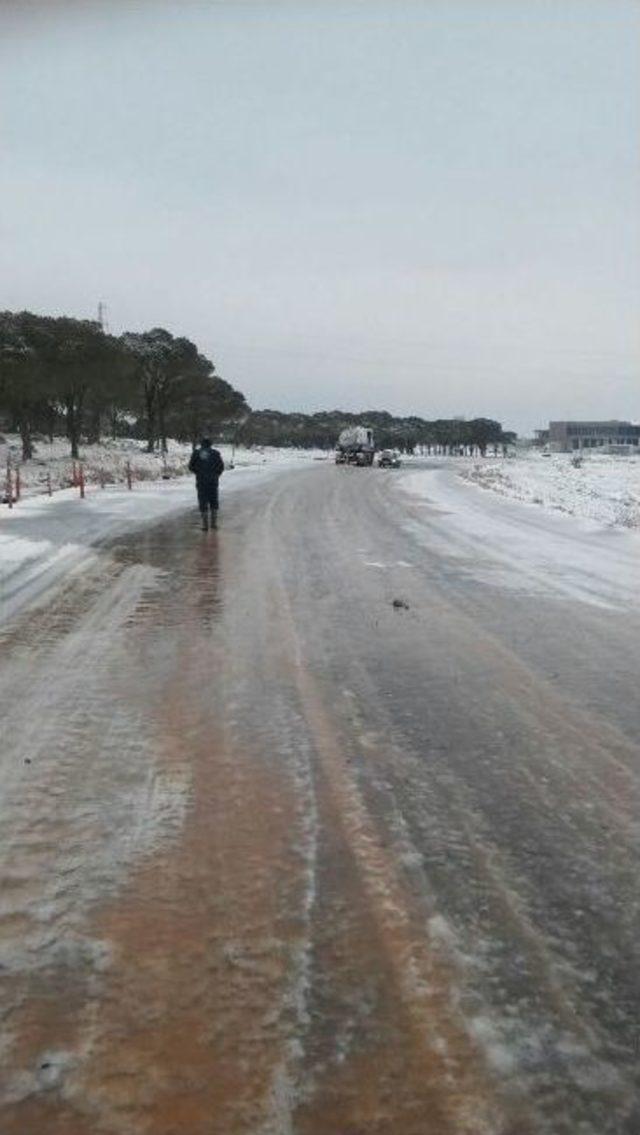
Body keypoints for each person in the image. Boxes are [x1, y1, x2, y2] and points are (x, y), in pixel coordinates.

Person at [189, 437, 225, 530]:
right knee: (213, 500)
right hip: (213, 481)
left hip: (201, 481)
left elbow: (190, 466)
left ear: (201, 444)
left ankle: (205, 525)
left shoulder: (196, 453)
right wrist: (216, 474)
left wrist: (198, 472)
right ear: (210, 444)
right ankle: (214, 524)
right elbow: (221, 466)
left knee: (202, 500)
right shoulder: (215, 453)